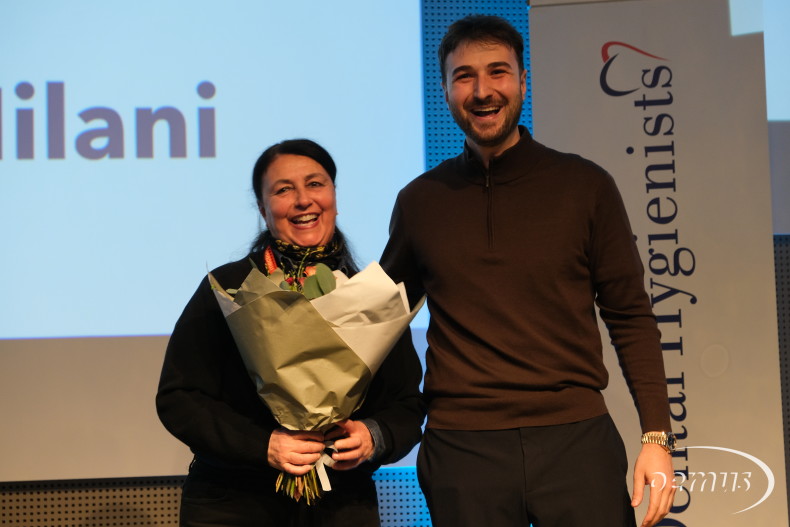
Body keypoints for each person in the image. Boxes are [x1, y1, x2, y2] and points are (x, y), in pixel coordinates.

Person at [380, 14, 676, 527]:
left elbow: (630, 315)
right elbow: (381, 320)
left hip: (577, 440)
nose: (482, 91)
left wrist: (656, 436)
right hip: (462, 450)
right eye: (464, 76)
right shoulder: (420, 201)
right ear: (446, 90)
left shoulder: (585, 186)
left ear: (522, 80)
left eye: (497, 71)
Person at [157, 138, 426, 527]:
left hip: (341, 507)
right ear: (263, 209)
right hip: (233, 505)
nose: (303, 200)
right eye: (283, 190)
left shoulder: (370, 295)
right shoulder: (229, 290)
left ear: (334, 195)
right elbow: (179, 398)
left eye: (315, 184)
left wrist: (373, 436)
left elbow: (406, 405)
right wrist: (262, 445)